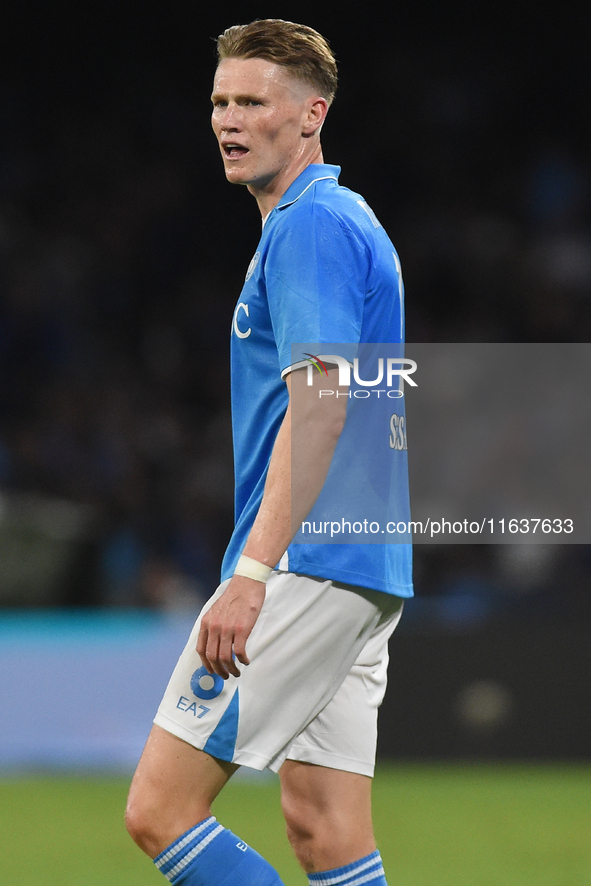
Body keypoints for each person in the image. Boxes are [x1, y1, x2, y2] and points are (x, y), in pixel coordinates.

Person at [125, 19, 413, 886]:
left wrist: (251, 573)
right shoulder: (336, 219)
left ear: (310, 113)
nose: (228, 118)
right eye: (219, 100)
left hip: (307, 561)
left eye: (252, 100)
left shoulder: (309, 226)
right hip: (358, 564)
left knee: (159, 812)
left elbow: (320, 406)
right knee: (327, 833)